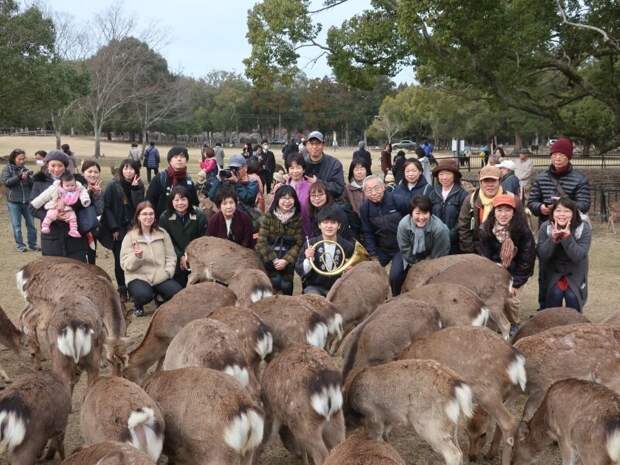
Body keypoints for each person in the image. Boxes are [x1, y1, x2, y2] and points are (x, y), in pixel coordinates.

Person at [479, 194, 536, 326]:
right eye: (499, 210)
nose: (503, 214)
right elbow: (484, 256)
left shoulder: (522, 231)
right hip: (493, 270)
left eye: (507, 210)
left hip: (515, 271)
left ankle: (514, 323)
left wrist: (516, 283)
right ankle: (492, 321)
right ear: (494, 212)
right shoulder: (485, 229)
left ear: (514, 212)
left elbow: (526, 260)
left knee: (510, 299)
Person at [120, 201, 182, 316]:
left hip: (160, 275)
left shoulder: (162, 233)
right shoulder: (130, 237)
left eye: (151, 214)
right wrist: (137, 257)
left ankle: (159, 296)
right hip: (138, 276)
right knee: (144, 295)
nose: (148, 217)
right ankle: (138, 303)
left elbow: (171, 256)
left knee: (177, 292)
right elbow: (124, 264)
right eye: (144, 214)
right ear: (138, 217)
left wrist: (168, 272)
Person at [30, 150, 90, 261]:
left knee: (76, 269)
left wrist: (69, 205)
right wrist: (53, 216)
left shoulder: (75, 181)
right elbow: (32, 209)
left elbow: (83, 203)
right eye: (53, 165)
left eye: (60, 165)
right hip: (51, 235)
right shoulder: (39, 182)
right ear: (47, 165)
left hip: (73, 234)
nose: (56, 169)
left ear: (65, 166)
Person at [99, 159, 145, 302]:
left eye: (132, 169)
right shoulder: (113, 185)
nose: (128, 171)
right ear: (121, 170)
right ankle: (122, 289)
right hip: (118, 229)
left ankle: (133, 288)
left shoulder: (139, 185)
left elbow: (140, 207)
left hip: (134, 228)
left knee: (135, 259)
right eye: (125, 168)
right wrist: (114, 227)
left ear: (136, 171)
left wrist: (135, 189)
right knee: (120, 260)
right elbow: (106, 207)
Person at [537, 197, 591, 312]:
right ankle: (553, 326)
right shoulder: (545, 227)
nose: (562, 214)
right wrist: (552, 239)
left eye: (567, 211)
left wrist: (567, 238)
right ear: (553, 212)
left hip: (575, 270)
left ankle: (575, 326)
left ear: (573, 213)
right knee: (555, 294)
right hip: (552, 270)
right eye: (558, 210)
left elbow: (578, 256)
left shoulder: (583, 228)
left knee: (572, 297)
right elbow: (542, 255)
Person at [359, 175, 409, 294]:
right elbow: (368, 232)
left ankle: (397, 298)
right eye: (369, 190)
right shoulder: (365, 208)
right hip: (382, 248)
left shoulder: (398, 200)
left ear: (383, 187)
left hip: (401, 247)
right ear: (364, 193)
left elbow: (412, 220)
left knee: (394, 277)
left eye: (376, 188)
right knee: (367, 274)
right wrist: (373, 255)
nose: (374, 193)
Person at [393, 195, 450, 295]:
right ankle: (395, 297)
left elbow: (439, 254)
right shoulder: (403, 224)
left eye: (425, 213)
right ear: (411, 214)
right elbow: (404, 249)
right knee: (395, 276)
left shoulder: (440, 229)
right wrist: (415, 264)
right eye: (417, 213)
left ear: (430, 214)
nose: (421, 217)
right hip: (409, 255)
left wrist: (424, 266)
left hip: (432, 257)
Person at [296, 205, 355, 296]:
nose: (329, 226)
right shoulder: (311, 244)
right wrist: (308, 260)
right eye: (325, 222)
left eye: (333, 223)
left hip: (339, 288)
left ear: (339, 226)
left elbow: (354, 273)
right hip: (314, 287)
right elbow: (300, 271)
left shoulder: (347, 246)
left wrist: (350, 271)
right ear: (319, 225)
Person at [528, 137, 590, 224]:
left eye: (562, 155)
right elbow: (531, 202)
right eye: (554, 154)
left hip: (571, 225)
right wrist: (540, 207)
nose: (557, 158)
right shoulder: (541, 178)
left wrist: (564, 204)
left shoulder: (580, 179)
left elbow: (584, 205)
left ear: (568, 157)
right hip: (546, 225)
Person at [255, 185, 304, 295]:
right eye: (283, 198)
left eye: (290, 198)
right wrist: (274, 260)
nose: (287, 201)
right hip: (270, 259)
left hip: (287, 261)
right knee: (273, 283)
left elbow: (299, 243)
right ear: (277, 199)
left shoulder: (298, 218)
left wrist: (286, 260)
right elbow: (261, 241)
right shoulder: (269, 217)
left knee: (286, 286)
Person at [159, 185, 207, 287]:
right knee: (176, 288)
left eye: (183, 199)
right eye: (176, 200)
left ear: (188, 200)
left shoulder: (199, 215)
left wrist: (189, 256)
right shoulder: (165, 217)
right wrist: (180, 256)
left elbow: (203, 238)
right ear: (171, 202)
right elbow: (167, 241)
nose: (180, 203)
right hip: (174, 258)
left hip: (196, 256)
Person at [457, 164, 509, 254]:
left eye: (493, 181)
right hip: (477, 250)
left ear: (499, 181)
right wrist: (471, 251)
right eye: (486, 181)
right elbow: (463, 227)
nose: (490, 185)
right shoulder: (471, 200)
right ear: (480, 183)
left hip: (502, 250)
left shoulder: (510, 199)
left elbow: (519, 229)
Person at [30, 172, 91, 238]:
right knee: (50, 215)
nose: (70, 187)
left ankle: (73, 230)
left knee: (73, 217)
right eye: (67, 186)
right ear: (62, 185)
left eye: (72, 185)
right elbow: (43, 197)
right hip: (55, 207)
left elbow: (84, 194)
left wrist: (85, 201)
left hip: (68, 210)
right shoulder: (55, 188)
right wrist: (35, 203)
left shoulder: (79, 188)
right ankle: (45, 226)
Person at [1, 148, 39, 252]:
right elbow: (6, 182)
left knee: (31, 224)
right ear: (14, 158)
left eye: (23, 159)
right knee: (17, 226)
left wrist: (30, 178)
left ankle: (33, 244)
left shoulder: (26, 169)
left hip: (27, 201)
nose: (22, 161)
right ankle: (20, 246)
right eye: (20, 159)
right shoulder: (7, 169)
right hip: (13, 202)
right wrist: (19, 177)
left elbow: (33, 185)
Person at [428, 158, 468, 254]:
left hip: (454, 243)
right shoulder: (433, 193)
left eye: (448, 174)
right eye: (441, 174)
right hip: (435, 240)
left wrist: (450, 235)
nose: (444, 177)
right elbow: (428, 215)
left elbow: (463, 220)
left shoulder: (463, 195)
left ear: (455, 175)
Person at [146, 146, 198, 217]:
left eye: (182, 157)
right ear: (170, 160)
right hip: (162, 222)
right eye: (175, 157)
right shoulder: (160, 178)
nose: (179, 159)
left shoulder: (189, 181)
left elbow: (194, 204)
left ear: (186, 160)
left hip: (184, 223)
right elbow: (149, 201)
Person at [209, 154, 260, 224]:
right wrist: (219, 180)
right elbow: (212, 196)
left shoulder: (252, 182)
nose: (233, 171)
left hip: (245, 220)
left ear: (245, 168)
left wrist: (237, 183)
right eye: (231, 168)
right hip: (227, 219)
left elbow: (248, 198)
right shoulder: (227, 182)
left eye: (236, 169)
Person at [277, 152, 312, 236]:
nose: (295, 171)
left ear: (303, 169)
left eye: (298, 167)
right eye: (292, 168)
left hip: (307, 231)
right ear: (288, 170)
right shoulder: (282, 188)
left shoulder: (311, 187)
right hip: (287, 234)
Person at [304, 131, 345, 200]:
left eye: (318, 143)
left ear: (323, 145)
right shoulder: (301, 163)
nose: (314, 147)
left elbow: (339, 188)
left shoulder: (334, 164)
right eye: (311, 143)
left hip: (329, 204)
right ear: (307, 145)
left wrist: (319, 182)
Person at [80, 160, 104, 264]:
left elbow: (100, 211)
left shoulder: (99, 191)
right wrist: (87, 192)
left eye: (96, 172)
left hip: (91, 231)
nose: (93, 174)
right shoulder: (75, 187)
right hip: (77, 231)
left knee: (91, 261)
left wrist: (97, 195)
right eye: (89, 171)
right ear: (83, 173)